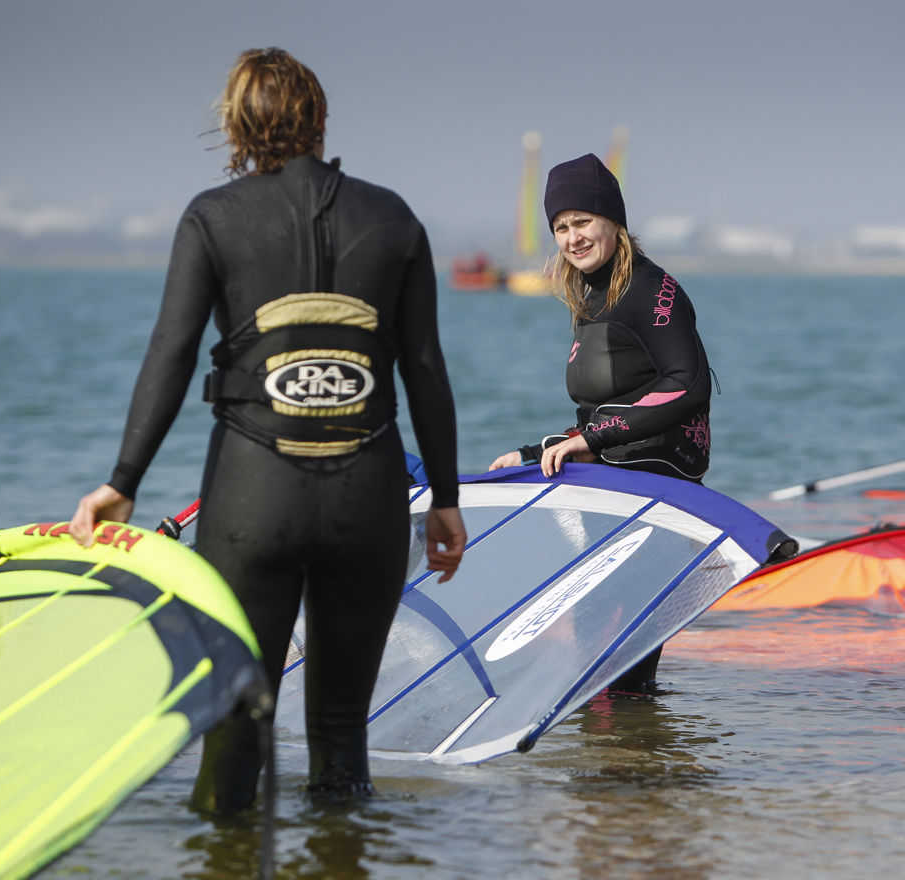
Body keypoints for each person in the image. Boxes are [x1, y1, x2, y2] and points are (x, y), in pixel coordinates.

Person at [68, 48, 467, 812]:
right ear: (319, 117)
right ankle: (341, 859)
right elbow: (425, 369)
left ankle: (221, 858)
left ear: (238, 124)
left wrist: (124, 481)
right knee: (343, 739)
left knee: (236, 733)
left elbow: (171, 352)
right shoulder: (393, 218)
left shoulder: (213, 217)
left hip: (253, 497)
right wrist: (445, 498)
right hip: (367, 495)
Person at [488, 153, 712, 686]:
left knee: (619, 675)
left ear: (614, 221)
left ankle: (631, 765)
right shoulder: (589, 293)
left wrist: (590, 438)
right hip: (610, 491)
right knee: (597, 674)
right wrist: (537, 450)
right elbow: (605, 410)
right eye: (561, 227)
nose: (572, 237)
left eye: (583, 221)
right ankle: (624, 762)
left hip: (656, 496)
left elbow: (687, 383)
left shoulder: (653, 291)